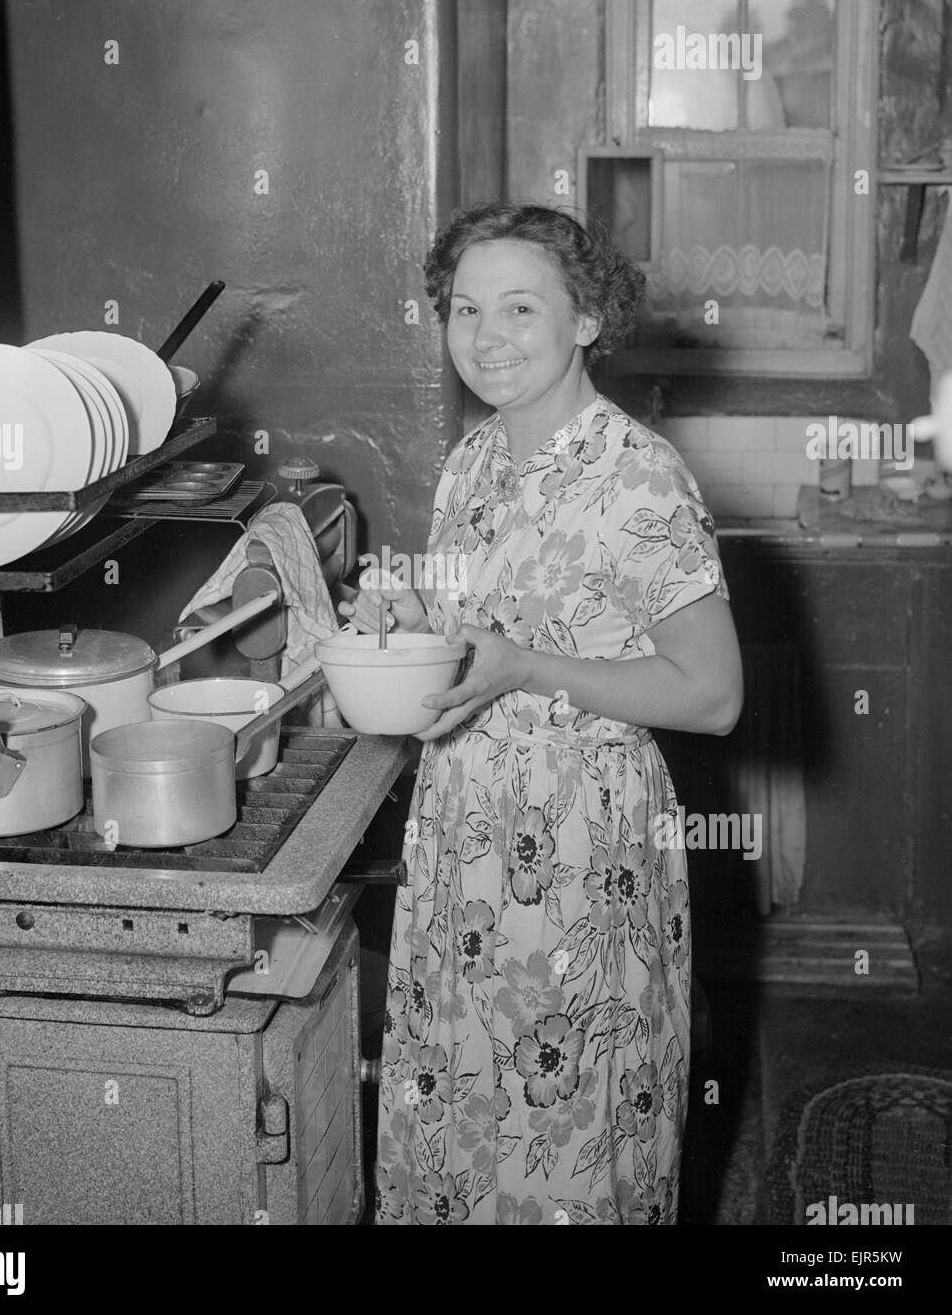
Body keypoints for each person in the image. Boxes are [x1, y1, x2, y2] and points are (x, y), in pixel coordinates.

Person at [340, 202, 744, 1225]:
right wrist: (406, 618)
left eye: (520, 307)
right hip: (462, 837)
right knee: (458, 1103)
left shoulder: (638, 475)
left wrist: (526, 666)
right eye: (464, 309)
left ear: (585, 320)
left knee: (565, 1125)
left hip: (580, 852)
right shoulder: (474, 459)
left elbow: (712, 693)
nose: (486, 335)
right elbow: (481, 622)